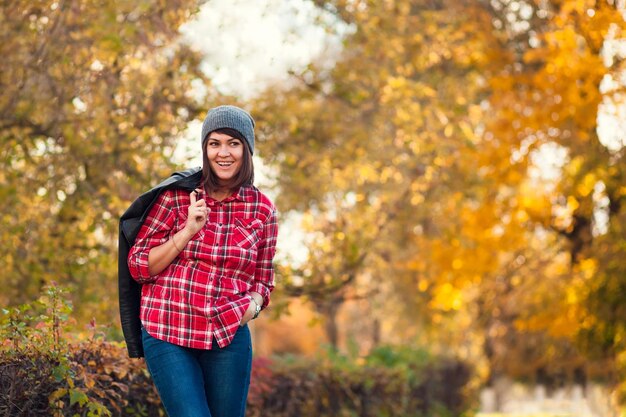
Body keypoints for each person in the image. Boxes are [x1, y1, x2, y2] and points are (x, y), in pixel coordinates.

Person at [127, 105, 278, 417]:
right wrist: (187, 231)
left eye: (233, 143)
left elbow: (263, 279)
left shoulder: (262, 210)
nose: (223, 153)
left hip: (227, 333)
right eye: (214, 143)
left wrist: (251, 307)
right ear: (205, 149)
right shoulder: (177, 196)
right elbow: (139, 266)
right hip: (168, 327)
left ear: (246, 149)